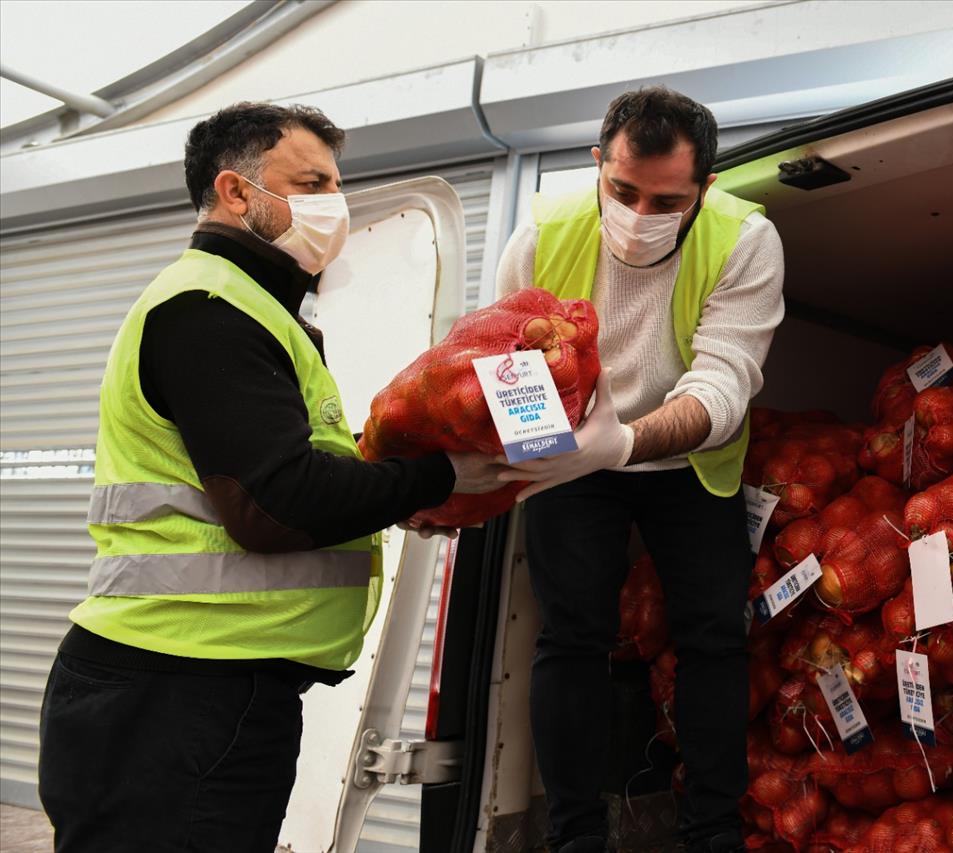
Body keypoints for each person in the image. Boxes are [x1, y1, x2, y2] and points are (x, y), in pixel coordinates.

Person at [37, 101, 505, 853]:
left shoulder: (262, 313)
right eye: (312, 184)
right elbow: (275, 503)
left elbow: (295, 476)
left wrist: (402, 487)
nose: (335, 207)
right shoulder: (209, 309)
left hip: (206, 689)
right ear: (236, 192)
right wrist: (439, 474)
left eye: (337, 187)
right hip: (176, 696)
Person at [494, 86, 786, 853]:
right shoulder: (544, 230)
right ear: (598, 163)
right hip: (568, 459)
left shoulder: (745, 239)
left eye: (666, 200)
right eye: (622, 190)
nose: (638, 213)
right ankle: (576, 836)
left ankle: (711, 833)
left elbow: (723, 382)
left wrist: (622, 442)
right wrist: (511, 457)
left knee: (713, 639)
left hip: (690, 460)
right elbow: (502, 360)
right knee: (572, 638)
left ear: (706, 190)